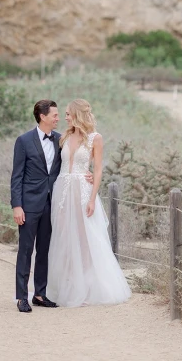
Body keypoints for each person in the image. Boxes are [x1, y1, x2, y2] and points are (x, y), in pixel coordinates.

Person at [46, 99, 131, 307]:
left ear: (77, 114)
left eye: (67, 114)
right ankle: (65, 286)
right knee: (64, 237)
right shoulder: (63, 137)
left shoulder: (95, 138)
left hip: (83, 193)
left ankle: (85, 288)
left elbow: (99, 169)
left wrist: (93, 197)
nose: (64, 118)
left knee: (86, 240)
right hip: (62, 191)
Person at [11, 99, 91, 312]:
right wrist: (16, 205)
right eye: (55, 115)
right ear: (42, 116)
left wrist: (87, 176)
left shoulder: (61, 139)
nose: (58, 119)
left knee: (45, 250)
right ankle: (21, 297)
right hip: (28, 205)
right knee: (26, 250)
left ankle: (40, 293)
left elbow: (71, 164)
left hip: (53, 204)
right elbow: (16, 177)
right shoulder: (23, 141)